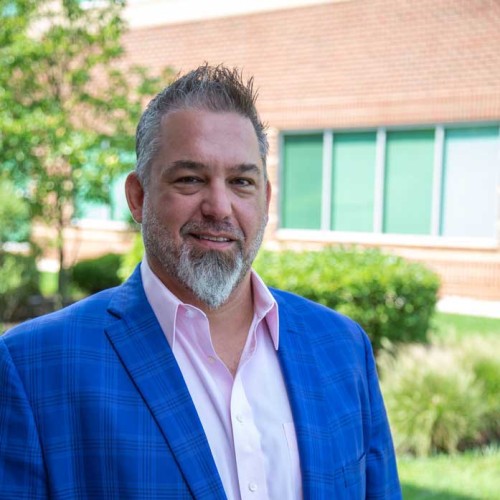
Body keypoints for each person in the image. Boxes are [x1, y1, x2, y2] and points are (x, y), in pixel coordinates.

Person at [0, 64, 401, 499]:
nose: (219, 207)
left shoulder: (342, 347)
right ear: (138, 197)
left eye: (241, 182)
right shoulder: (34, 367)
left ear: (265, 200)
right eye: (190, 179)